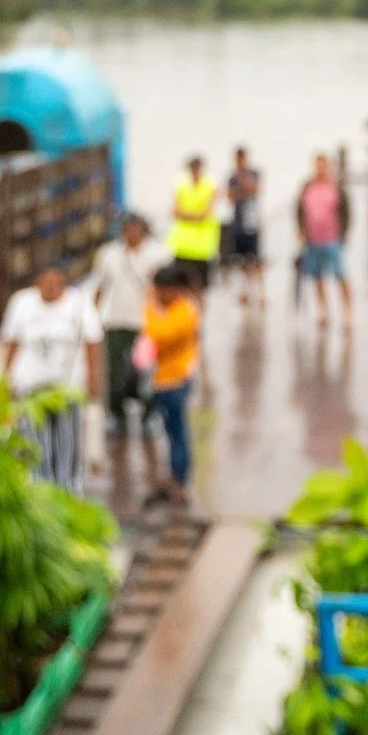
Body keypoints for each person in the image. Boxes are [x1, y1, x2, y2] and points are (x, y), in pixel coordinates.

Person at [1, 262, 105, 493]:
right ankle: (40, 487)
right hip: (31, 387)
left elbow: (93, 341)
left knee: (67, 442)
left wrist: (93, 379)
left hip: (67, 387)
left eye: (56, 284)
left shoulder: (79, 303)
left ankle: (68, 488)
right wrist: (5, 380)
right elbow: (11, 342)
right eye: (45, 284)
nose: (50, 289)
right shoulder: (21, 303)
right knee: (35, 442)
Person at [93, 212, 170, 483]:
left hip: (145, 323)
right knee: (115, 371)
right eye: (127, 228)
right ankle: (117, 415)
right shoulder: (109, 255)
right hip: (116, 320)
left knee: (146, 372)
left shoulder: (158, 254)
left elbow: (166, 289)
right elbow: (100, 286)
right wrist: (93, 316)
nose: (131, 233)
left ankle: (149, 415)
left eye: (135, 228)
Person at [141, 263, 201, 509]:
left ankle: (180, 481)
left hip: (177, 379)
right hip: (158, 379)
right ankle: (175, 477)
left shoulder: (185, 310)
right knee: (168, 430)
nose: (162, 295)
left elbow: (158, 334)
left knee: (178, 432)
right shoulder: (160, 307)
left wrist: (152, 313)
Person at [297, 153, 352, 329]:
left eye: (323, 165)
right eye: (317, 165)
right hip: (313, 239)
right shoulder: (307, 186)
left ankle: (347, 312)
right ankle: (324, 311)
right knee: (317, 276)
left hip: (332, 238)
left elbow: (347, 212)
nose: (320, 169)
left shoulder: (337, 186)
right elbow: (299, 209)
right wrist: (301, 230)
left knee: (340, 275)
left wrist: (344, 235)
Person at [167, 156, 220, 295]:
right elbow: (175, 211)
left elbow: (204, 215)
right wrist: (194, 215)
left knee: (200, 288)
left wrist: (187, 215)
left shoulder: (210, 187)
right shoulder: (182, 186)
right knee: (180, 287)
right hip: (183, 245)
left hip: (202, 247)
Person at [227, 146, 265, 308]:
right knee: (242, 260)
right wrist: (243, 188)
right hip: (238, 223)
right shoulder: (232, 177)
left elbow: (255, 189)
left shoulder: (254, 173)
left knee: (256, 260)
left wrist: (243, 187)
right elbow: (230, 196)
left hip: (252, 222)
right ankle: (245, 291)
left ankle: (261, 292)